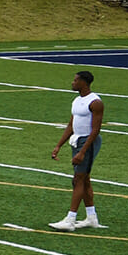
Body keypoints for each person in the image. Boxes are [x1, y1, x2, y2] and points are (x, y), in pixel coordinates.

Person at [50, 71, 106, 231]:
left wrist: (83, 152)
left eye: (75, 80)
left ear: (84, 82)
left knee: (78, 179)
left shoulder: (95, 102)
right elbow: (71, 125)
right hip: (77, 140)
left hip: (88, 141)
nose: (72, 83)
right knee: (84, 178)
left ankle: (70, 219)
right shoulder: (77, 101)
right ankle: (91, 217)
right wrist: (59, 145)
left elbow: (95, 130)